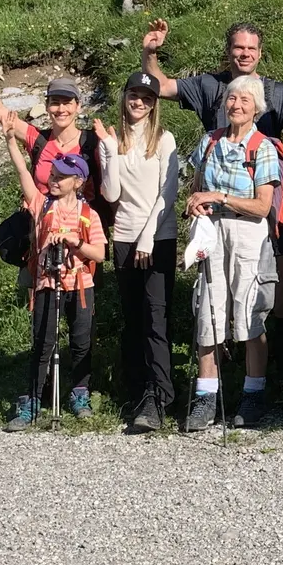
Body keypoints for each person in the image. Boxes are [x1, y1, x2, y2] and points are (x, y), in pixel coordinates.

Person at [141, 19, 283, 369]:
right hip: (218, 198)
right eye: (238, 47)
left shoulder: (278, 92)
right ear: (228, 51)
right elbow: (158, 86)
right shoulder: (208, 86)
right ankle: (226, 347)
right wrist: (150, 52)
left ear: (260, 53)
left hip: (265, 193)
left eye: (251, 48)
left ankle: (282, 337)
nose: (244, 54)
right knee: (220, 279)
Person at [184, 75, 281, 431]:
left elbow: (261, 207)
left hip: (247, 235)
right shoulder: (209, 142)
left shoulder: (263, 147)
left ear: (257, 107)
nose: (236, 105)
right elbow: (195, 189)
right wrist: (195, 204)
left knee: (248, 310)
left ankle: (254, 394)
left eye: (244, 100)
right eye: (231, 99)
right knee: (208, 310)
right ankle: (205, 397)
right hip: (212, 233)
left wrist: (220, 197)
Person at [2, 133, 105, 431]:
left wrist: (76, 244)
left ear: (78, 181)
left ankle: (80, 393)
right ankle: (32, 399)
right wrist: (11, 144)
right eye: (53, 175)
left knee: (82, 342)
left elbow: (99, 252)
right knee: (43, 343)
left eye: (62, 177)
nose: (54, 180)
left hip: (81, 286)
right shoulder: (41, 205)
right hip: (48, 285)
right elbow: (24, 173)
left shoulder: (90, 215)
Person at [95, 72, 179, 435]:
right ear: (125, 96)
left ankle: (160, 395)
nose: (139, 102)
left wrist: (148, 236)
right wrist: (110, 153)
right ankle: (135, 390)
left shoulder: (164, 140)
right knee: (133, 319)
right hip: (125, 238)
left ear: (155, 103)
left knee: (155, 318)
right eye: (134, 94)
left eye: (146, 96)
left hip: (157, 238)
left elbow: (169, 192)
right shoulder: (113, 140)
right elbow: (111, 195)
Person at [0, 54, 101, 202]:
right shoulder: (38, 139)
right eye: (55, 103)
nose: (61, 109)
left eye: (67, 103)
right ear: (46, 106)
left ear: (78, 106)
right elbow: (0, 111)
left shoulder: (92, 142)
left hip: (81, 228)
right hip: (42, 224)